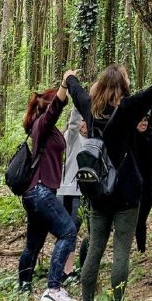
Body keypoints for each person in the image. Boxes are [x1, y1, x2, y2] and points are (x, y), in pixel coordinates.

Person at [65, 53, 152, 301]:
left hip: (99, 191)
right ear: (123, 86)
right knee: (121, 249)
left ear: (101, 85)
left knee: (96, 248)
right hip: (126, 192)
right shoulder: (128, 108)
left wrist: (69, 77)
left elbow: (76, 91)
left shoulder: (90, 106)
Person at [17, 76, 78, 301]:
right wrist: (64, 85)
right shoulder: (42, 124)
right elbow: (55, 109)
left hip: (38, 193)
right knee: (68, 232)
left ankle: (24, 285)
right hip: (41, 191)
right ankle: (53, 288)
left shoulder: (48, 130)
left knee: (34, 243)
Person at [57, 104, 88, 282]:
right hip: (67, 191)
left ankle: (68, 270)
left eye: (87, 120)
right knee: (67, 231)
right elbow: (74, 122)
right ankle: (62, 270)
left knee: (73, 231)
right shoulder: (71, 137)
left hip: (82, 193)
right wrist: (79, 101)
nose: (84, 124)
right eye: (82, 120)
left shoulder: (92, 139)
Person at [133, 105, 152, 253]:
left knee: (145, 212)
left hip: (149, 179)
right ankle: (140, 248)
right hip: (136, 181)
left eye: (145, 120)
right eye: (140, 120)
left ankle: (141, 247)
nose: (143, 123)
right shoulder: (131, 136)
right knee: (139, 216)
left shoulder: (149, 132)